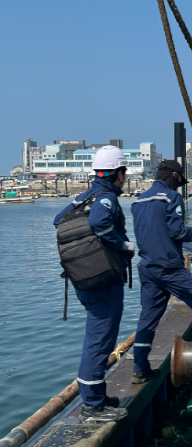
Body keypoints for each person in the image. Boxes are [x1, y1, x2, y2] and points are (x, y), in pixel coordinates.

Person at [54, 146, 133, 423]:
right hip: (103, 283)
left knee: (99, 340)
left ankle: (97, 396)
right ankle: (92, 407)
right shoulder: (106, 198)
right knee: (99, 342)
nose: (125, 178)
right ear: (118, 174)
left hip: (86, 280)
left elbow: (58, 220)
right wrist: (121, 244)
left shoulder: (84, 196)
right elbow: (100, 222)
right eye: (124, 172)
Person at [131, 160, 192, 384]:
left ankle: (140, 369)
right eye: (180, 180)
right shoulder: (171, 197)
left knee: (147, 319)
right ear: (174, 175)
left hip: (147, 267)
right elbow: (177, 232)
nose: (180, 185)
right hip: (169, 267)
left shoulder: (139, 200)